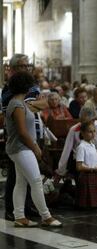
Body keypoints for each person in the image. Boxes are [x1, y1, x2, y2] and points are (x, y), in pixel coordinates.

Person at [5, 71, 61, 227]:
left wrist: (37, 104)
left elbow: (41, 106)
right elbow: (22, 133)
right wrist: (35, 147)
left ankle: (19, 217)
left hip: (20, 148)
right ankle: (46, 216)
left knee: (21, 183)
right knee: (36, 181)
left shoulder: (20, 103)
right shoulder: (16, 104)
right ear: (25, 86)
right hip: (21, 148)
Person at [55, 106, 97, 181]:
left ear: (94, 119)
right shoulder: (74, 129)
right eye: (81, 121)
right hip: (80, 164)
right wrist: (61, 171)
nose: (83, 125)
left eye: (86, 122)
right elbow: (66, 151)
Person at [75, 121, 97, 208]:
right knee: (86, 202)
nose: (93, 134)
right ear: (82, 133)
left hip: (95, 174)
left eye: (94, 131)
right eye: (90, 132)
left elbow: (93, 161)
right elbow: (79, 167)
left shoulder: (93, 145)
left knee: (95, 199)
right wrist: (94, 169)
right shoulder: (81, 147)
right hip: (87, 176)